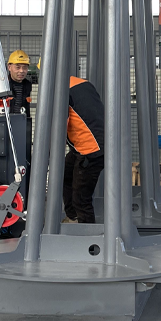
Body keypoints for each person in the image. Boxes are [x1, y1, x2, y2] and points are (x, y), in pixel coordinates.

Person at [62, 76, 106, 224]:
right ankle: (73, 218)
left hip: (90, 150)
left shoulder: (61, 90)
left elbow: (60, 124)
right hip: (90, 145)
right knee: (65, 174)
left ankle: (85, 231)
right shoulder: (80, 82)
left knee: (81, 198)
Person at [0, 50, 32, 117]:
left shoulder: (27, 86)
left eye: (25, 67)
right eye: (18, 67)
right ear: (9, 67)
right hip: (2, 122)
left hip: (21, 122)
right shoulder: (0, 86)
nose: (21, 71)